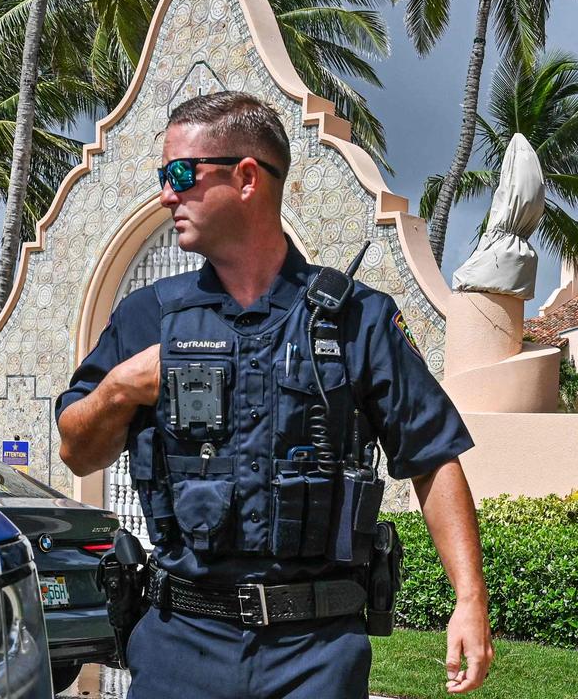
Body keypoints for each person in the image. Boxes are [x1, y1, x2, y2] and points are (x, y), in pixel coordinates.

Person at [56, 91, 493, 697]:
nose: (166, 195)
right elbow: (77, 451)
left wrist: (469, 601)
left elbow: (432, 457)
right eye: (163, 177)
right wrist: (120, 387)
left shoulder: (358, 319)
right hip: (181, 641)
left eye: (181, 174)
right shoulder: (146, 315)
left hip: (315, 653)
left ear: (245, 178)